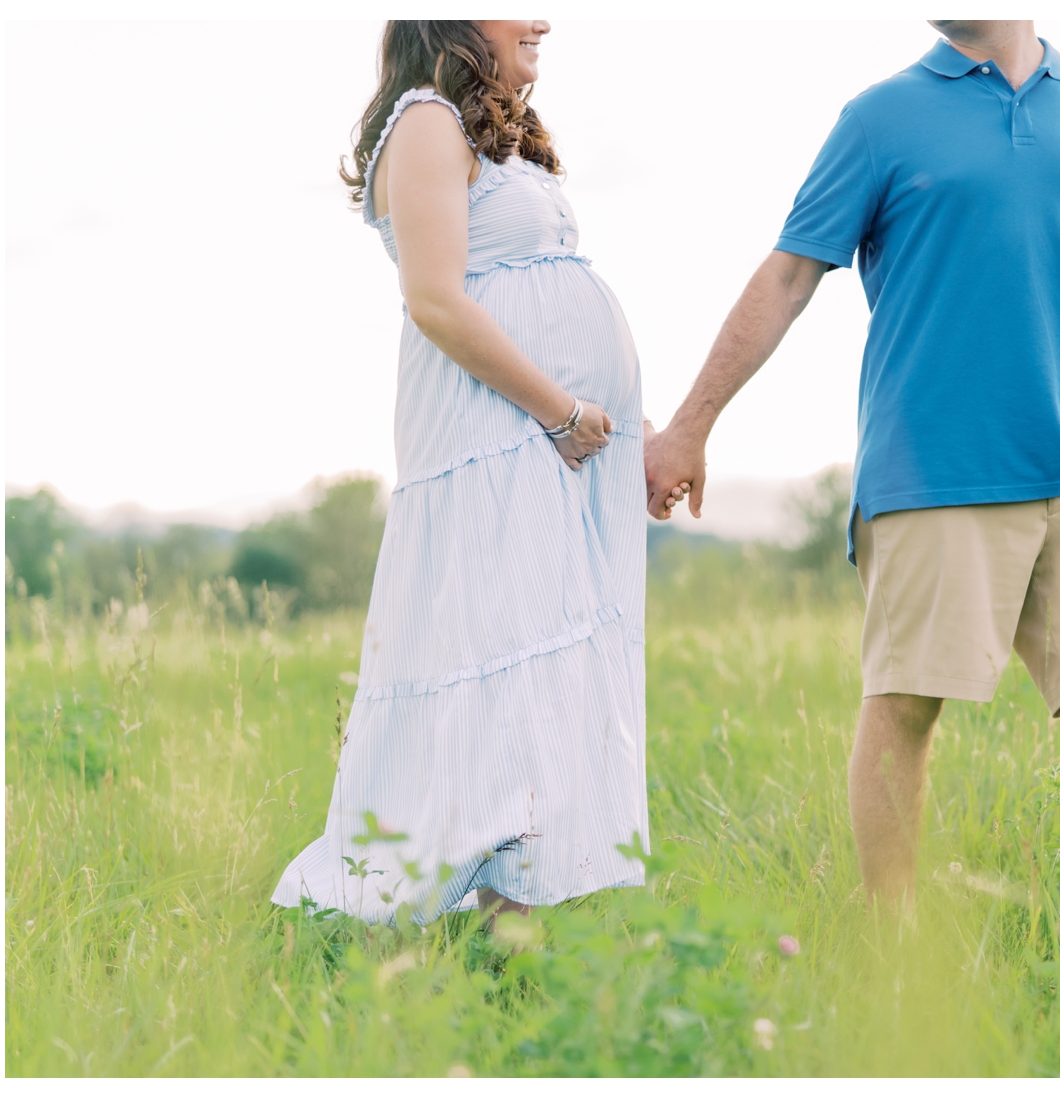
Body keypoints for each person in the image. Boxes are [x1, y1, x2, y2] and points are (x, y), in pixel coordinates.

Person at [645, 20, 1060, 917]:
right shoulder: (879, 119)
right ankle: (895, 955)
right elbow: (788, 276)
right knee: (907, 706)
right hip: (936, 466)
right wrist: (689, 426)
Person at [274, 20, 686, 927]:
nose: (542, 19)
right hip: (496, 440)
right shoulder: (424, 119)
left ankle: (511, 924)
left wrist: (629, 431)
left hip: (550, 443)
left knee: (540, 682)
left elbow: (543, 291)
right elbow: (436, 299)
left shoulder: (474, 130)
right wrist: (562, 412)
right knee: (500, 676)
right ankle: (402, 920)